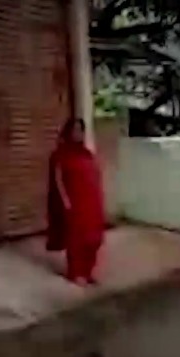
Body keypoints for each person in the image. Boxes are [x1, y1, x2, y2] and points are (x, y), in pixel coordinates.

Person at [47, 119, 106, 286]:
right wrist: (65, 201)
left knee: (95, 238)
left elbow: (95, 176)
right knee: (77, 239)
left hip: (93, 202)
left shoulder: (86, 153)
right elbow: (57, 180)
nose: (78, 134)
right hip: (75, 203)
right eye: (75, 130)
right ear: (68, 132)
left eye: (81, 130)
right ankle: (75, 273)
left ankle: (88, 271)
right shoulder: (61, 154)